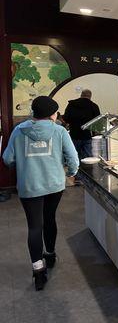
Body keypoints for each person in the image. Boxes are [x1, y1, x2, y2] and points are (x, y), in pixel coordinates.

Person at [2, 96, 79, 291]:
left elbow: (7, 158)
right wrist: (69, 173)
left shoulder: (19, 131)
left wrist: (20, 166)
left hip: (29, 186)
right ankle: (51, 255)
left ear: (34, 113)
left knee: (34, 226)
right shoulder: (60, 131)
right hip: (54, 185)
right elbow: (73, 160)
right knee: (50, 218)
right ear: (53, 114)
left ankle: (38, 271)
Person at [63, 89, 101, 159]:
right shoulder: (94, 106)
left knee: (74, 156)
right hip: (87, 135)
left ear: (81, 95)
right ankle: (86, 169)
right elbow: (98, 122)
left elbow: (66, 118)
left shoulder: (72, 104)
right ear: (90, 96)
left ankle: (76, 169)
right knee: (87, 158)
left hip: (74, 134)